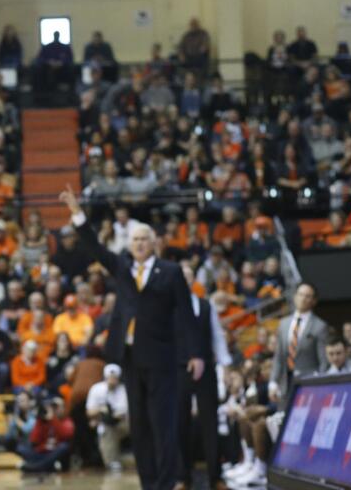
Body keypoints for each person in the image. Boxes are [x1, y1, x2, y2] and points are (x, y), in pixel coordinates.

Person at [61, 187, 201, 490]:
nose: (138, 243)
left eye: (144, 239)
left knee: (162, 424)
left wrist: (196, 354)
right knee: (138, 426)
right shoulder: (122, 267)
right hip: (129, 356)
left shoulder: (172, 271)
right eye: (135, 239)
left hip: (162, 357)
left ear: (154, 244)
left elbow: (187, 316)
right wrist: (77, 214)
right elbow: (95, 248)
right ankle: (149, 483)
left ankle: (166, 482)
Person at [179, 264, 232, 489]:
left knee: (211, 421)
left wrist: (226, 365)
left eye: (189, 276)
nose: (185, 279)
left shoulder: (205, 305)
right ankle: (182, 476)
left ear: (194, 281)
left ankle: (215, 476)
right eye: (181, 276)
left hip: (206, 368)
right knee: (179, 422)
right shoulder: (168, 306)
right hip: (178, 370)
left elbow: (217, 337)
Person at [270, 282, 329, 398]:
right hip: (285, 383)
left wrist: (321, 385)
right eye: (301, 294)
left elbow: (324, 361)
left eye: (308, 296)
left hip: (309, 383)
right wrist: (273, 383)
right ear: (295, 296)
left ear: (314, 301)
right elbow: (279, 356)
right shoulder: (283, 323)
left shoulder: (320, 326)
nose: (303, 299)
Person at [85, 364, 129, 471]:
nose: (112, 380)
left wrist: (109, 415)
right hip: (104, 423)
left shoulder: (123, 390)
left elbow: (122, 413)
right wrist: (101, 411)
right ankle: (112, 462)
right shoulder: (96, 389)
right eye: (110, 377)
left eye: (115, 378)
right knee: (105, 429)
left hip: (123, 423)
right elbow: (89, 412)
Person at [19, 397, 74, 473]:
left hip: (54, 453)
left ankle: (38, 467)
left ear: (63, 408)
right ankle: (46, 466)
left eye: (57, 407)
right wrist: (40, 421)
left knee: (64, 446)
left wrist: (53, 419)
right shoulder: (42, 421)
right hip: (42, 453)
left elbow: (65, 435)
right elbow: (34, 441)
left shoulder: (67, 421)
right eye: (53, 407)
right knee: (21, 447)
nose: (55, 409)